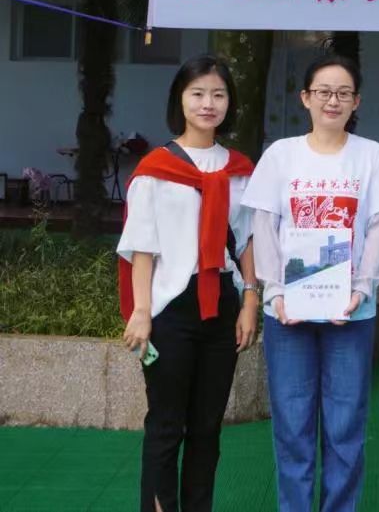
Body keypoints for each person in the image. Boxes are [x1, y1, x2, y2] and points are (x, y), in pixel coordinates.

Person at [244, 54, 379, 511]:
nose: (333, 101)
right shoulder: (280, 154)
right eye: (324, 92)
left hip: (351, 312)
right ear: (305, 97)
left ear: (356, 102)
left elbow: (378, 228)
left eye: (343, 93)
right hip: (287, 313)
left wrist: (362, 289)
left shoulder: (372, 156)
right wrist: (274, 291)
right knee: (292, 425)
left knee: (346, 425)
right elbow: (264, 226)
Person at [117, 54, 258, 512]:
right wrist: (141, 312)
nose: (208, 103)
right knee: (165, 424)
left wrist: (250, 301)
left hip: (223, 304)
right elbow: (142, 247)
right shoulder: (155, 169)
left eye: (218, 94)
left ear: (229, 103)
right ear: (180, 100)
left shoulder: (240, 170)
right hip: (170, 308)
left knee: (207, 428)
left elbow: (247, 240)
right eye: (197, 93)